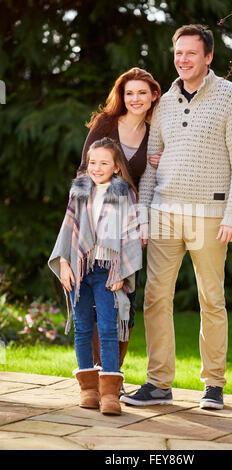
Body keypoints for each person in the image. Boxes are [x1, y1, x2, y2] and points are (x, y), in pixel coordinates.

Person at [121, 24, 232, 410]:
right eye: (178, 53)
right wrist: (144, 213)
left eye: (191, 53)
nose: (182, 60)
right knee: (156, 298)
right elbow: (150, 163)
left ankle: (214, 385)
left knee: (211, 299)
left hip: (211, 215)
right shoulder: (163, 102)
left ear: (208, 57)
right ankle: (159, 383)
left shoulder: (230, 97)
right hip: (163, 212)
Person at [48, 138, 142, 415]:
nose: (96, 167)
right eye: (92, 162)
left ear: (115, 167)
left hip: (109, 270)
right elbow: (68, 230)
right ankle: (88, 390)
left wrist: (122, 273)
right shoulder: (79, 191)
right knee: (83, 328)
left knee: (108, 328)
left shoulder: (123, 193)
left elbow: (130, 236)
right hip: (79, 268)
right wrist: (64, 264)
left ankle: (110, 393)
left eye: (103, 163)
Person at [78, 68, 161, 372]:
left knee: (124, 297)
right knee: (97, 297)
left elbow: (154, 180)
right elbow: (84, 170)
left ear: (154, 96)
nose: (135, 99)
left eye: (142, 92)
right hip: (97, 220)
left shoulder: (155, 132)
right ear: (121, 95)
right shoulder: (106, 123)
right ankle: (96, 372)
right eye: (129, 93)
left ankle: (113, 375)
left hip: (130, 224)